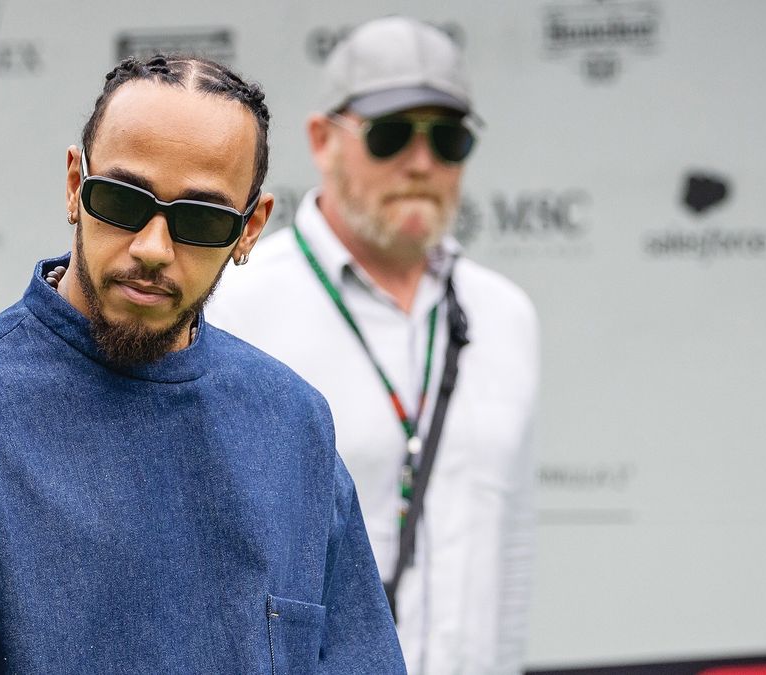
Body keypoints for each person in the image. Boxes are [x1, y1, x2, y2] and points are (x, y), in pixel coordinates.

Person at [0, 54, 404, 673]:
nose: (152, 248)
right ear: (76, 186)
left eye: (200, 220)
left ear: (250, 229)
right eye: (123, 202)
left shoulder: (295, 429)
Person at [206, 17, 539, 674]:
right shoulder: (237, 306)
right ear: (322, 140)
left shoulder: (506, 316)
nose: (422, 163)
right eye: (391, 135)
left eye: (447, 139)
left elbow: (512, 556)